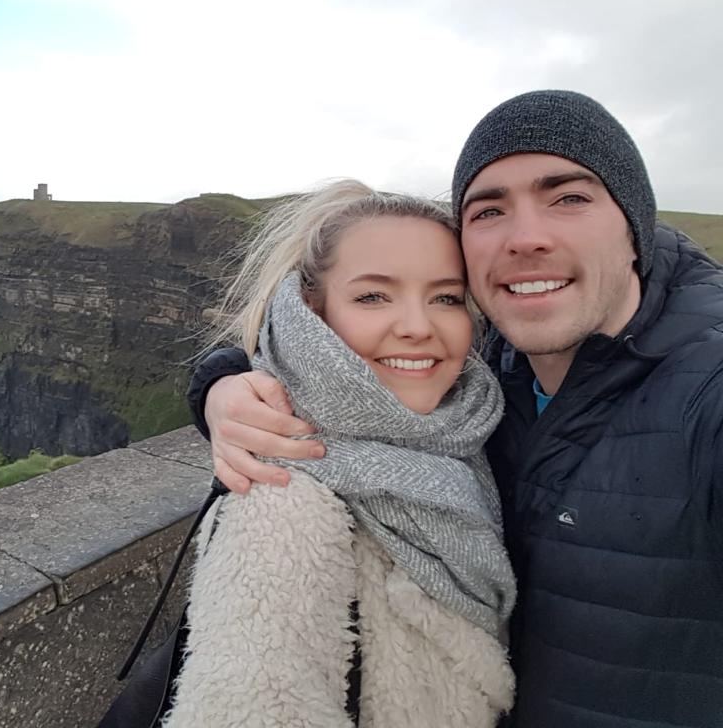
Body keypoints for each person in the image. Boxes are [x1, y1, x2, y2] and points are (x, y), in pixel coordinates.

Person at [189, 90, 723, 727]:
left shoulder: (702, 389)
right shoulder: (487, 380)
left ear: (634, 226)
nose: (526, 238)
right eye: (489, 209)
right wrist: (222, 384)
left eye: (570, 198)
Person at [165, 181, 516, 727]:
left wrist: (216, 381)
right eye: (373, 296)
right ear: (310, 311)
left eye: (445, 297)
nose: (419, 327)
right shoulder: (283, 507)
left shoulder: (468, 428)